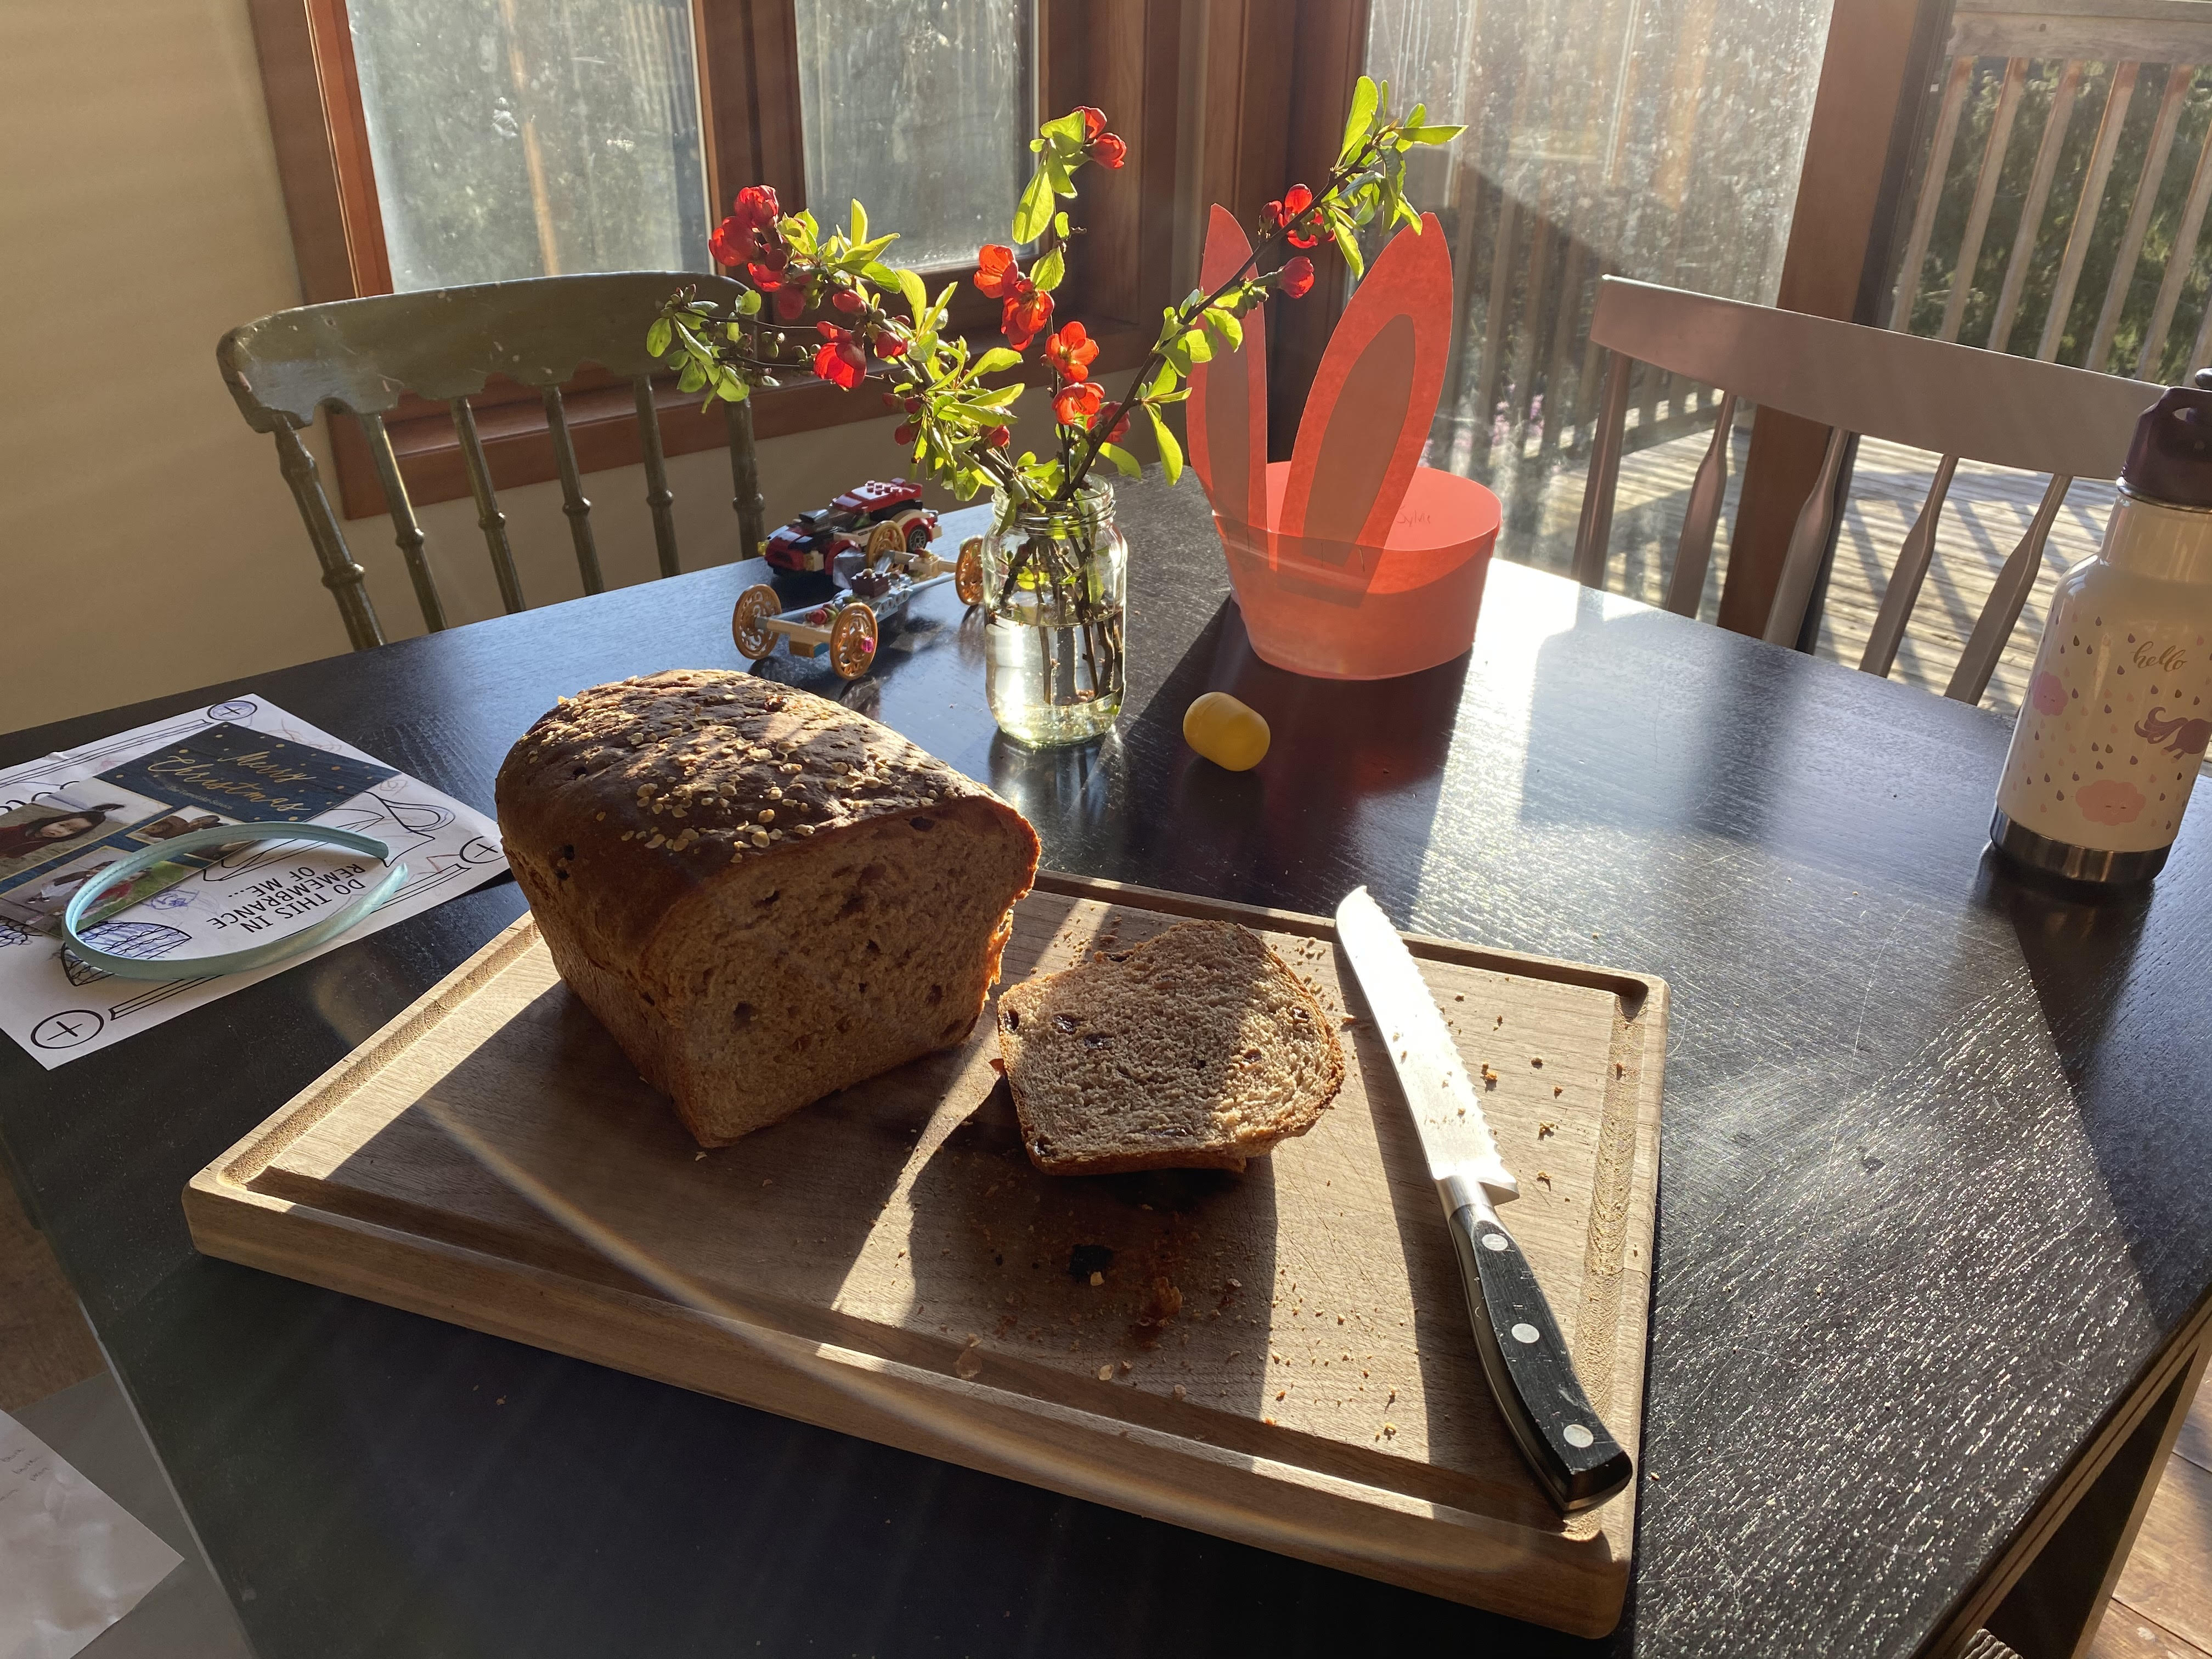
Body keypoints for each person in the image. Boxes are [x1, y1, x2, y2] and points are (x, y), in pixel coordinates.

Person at [0, 804, 127, 861]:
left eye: (71, 831)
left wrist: (10, 855)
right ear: (54, 820)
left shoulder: (46, 840)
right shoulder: (16, 831)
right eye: (62, 825)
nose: (60, 831)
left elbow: (23, 850)